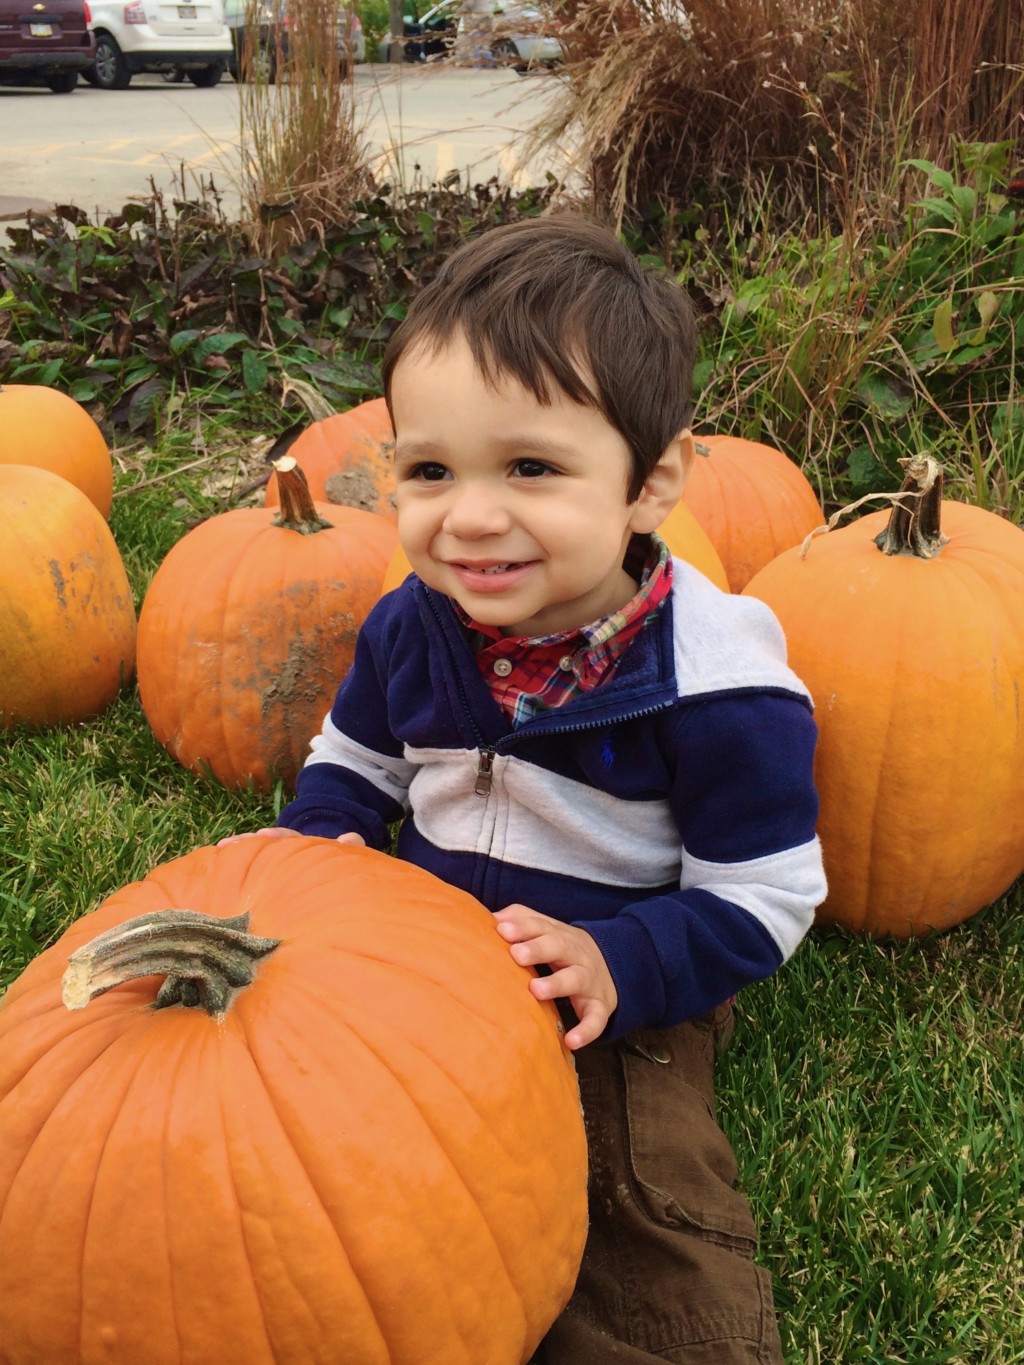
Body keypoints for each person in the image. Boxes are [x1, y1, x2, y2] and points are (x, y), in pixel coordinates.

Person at [233, 214, 826, 1363]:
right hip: (417, 958)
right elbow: (355, 763)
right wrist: (325, 840)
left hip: (604, 985)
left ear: (650, 484)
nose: (469, 516)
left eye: (532, 469)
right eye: (429, 471)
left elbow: (766, 896)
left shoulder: (719, 688)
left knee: (622, 1186)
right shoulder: (414, 622)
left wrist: (630, 961)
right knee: (321, 1160)